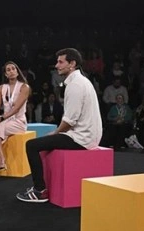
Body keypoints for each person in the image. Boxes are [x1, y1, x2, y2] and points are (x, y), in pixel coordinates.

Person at [16, 48, 102, 203]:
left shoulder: (76, 85)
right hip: (87, 135)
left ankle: (39, 191)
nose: (56, 65)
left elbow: (69, 121)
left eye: (61, 62)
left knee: (32, 145)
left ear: (72, 64)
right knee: (45, 142)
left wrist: (55, 133)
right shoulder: (81, 81)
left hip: (81, 138)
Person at [0, 61, 30, 179]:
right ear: (5, 74)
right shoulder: (1, 88)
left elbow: (16, 109)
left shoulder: (24, 87)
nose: (11, 71)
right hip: (5, 121)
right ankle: (0, 161)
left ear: (17, 71)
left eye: (13, 68)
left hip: (18, 121)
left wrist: (1, 118)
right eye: (8, 70)